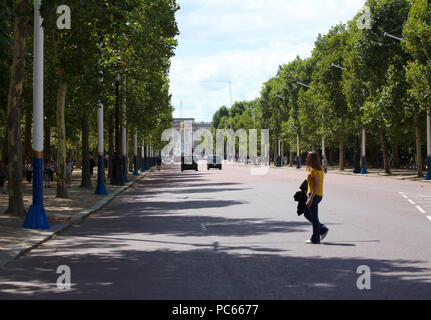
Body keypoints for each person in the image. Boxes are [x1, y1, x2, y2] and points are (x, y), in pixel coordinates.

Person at [303, 151, 329, 244]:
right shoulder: (320, 169)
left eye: (307, 157)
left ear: (311, 159)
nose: (306, 159)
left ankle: (315, 238)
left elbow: (316, 184)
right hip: (319, 195)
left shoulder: (313, 170)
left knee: (314, 217)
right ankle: (322, 229)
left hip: (314, 195)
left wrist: (311, 198)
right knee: (307, 213)